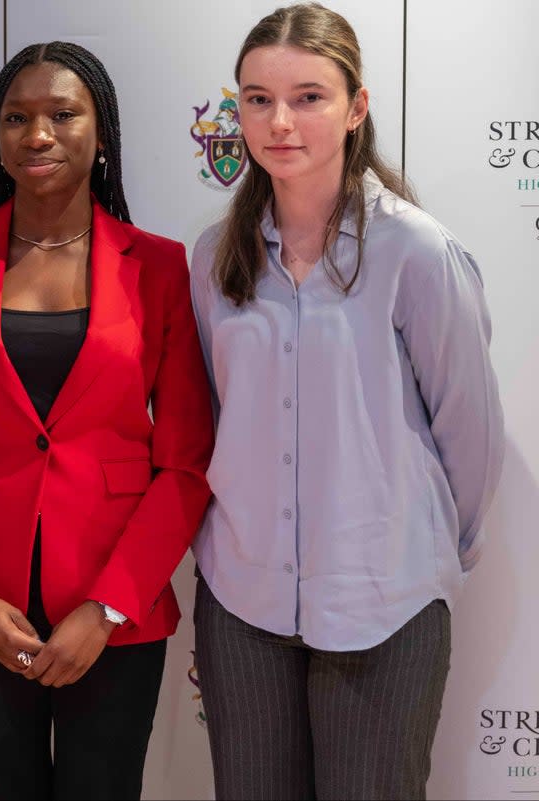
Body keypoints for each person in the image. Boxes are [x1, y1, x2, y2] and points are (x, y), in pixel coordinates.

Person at [189, 4, 505, 799]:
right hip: (244, 599)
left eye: (309, 96)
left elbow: (470, 432)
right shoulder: (212, 259)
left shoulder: (415, 251)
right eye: (257, 99)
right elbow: (211, 417)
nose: (280, 120)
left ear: (356, 106)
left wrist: (422, 552)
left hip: (385, 602)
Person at [0, 41, 215, 801]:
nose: (37, 134)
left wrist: (106, 608)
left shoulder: (160, 266)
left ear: (101, 133)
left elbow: (185, 463)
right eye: (16, 118)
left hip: (113, 614)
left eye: (62, 114)